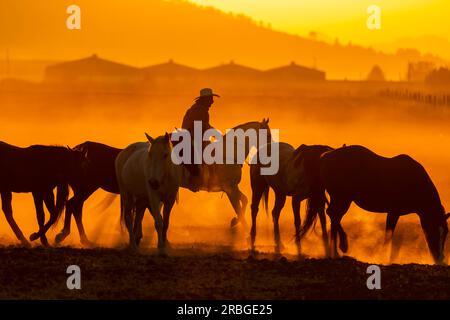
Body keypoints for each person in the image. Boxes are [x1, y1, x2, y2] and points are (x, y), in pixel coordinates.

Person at [181, 88, 220, 191]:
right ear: (205, 99)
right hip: (192, 136)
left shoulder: (198, 109)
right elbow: (201, 126)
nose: (212, 101)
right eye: (211, 99)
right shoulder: (199, 110)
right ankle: (206, 180)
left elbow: (203, 126)